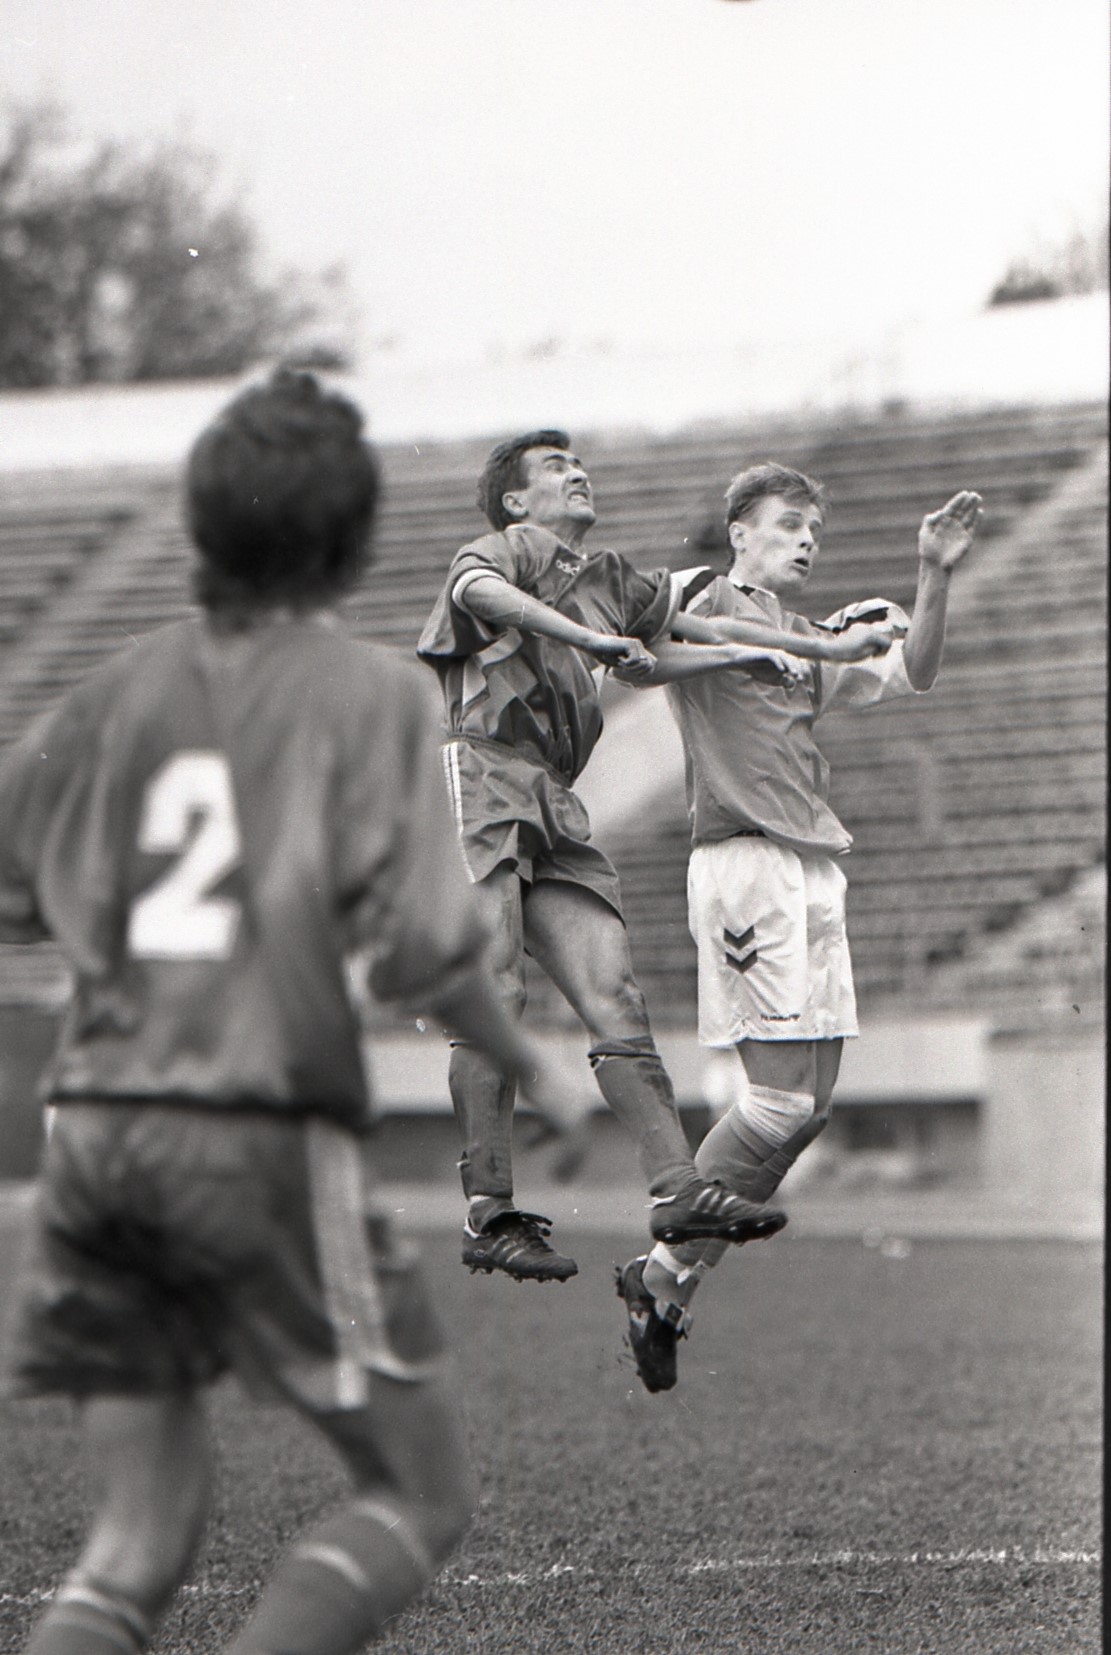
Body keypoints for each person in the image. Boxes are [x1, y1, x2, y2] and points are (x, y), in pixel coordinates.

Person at [0, 370, 585, 1655]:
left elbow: (16, 895)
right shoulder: (369, 696)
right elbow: (430, 951)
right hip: (252, 1125)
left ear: (200, 531)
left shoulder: (112, 695)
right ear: (354, 542)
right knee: (417, 1491)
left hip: (90, 1135)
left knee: (137, 1538)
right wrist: (532, 1064)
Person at [416, 429, 882, 1285]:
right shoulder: (509, 548)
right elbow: (478, 590)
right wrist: (589, 640)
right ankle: (490, 1210)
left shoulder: (610, 578)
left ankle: (677, 1190)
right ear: (516, 501)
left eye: (576, 461)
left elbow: (693, 628)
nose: (577, 472)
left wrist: (789, 649)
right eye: (555, 467)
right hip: (478, 770)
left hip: (553, 792)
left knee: (616, 993)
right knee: (498, 988)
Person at [615, 461, 983, 1393]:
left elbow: (915, 670)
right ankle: (657, 1267)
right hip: (745, 864)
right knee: (775, 1104)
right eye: (787, 524)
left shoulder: (810, 637)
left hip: (812, 868)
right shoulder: (702, 594)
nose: (806, 540)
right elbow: (641, 640)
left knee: (807, 1110)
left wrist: (931, 571)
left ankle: (667, 1286)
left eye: (813, 529)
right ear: (739, 531)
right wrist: (784, 646)